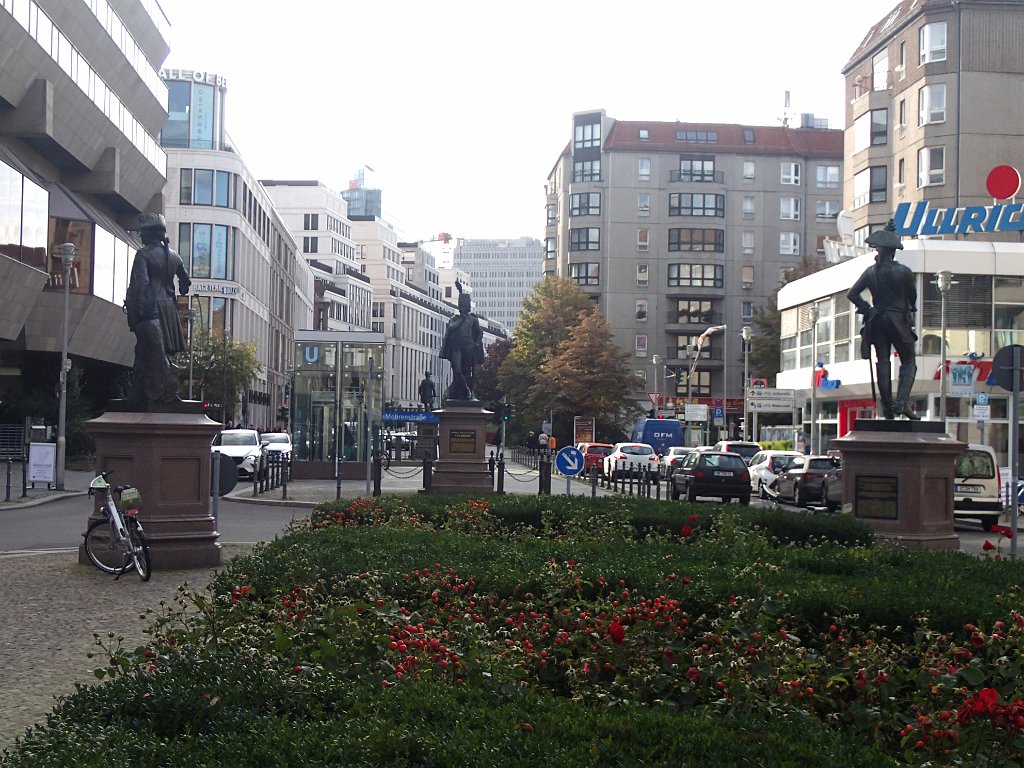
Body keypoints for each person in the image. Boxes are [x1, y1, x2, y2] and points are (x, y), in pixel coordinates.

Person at [847, 220, 919, 420]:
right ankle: (901, 403)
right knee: (909, 361)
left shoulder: (871, 272)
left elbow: (852, 294)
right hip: (897, 320)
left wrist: (867, 309)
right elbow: (912, 297)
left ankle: (888, 408)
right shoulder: (904, 271)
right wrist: (909, 308)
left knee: (883, 362)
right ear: (893, 251)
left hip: (877, 320)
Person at [124, 213, 191, 406]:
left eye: (143, 232)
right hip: (169, 311)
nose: (141, 236)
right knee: (150, 352)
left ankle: (161, 391)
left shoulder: (143, 255)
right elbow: (185, 282)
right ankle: (146, 391)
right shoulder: (173, 256)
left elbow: (141, 284)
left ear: (151, 233)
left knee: (150, 353)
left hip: (150, 311)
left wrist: (135, 313)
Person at [439, 281, 484, 402]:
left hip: (469, 346)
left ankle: (466, 392)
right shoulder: (455, 319)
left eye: (465, 306)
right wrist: (462, 319)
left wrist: (477, 343)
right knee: (457, 371)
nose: (463, 308)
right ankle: (466, 390)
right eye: (461, 306)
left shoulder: (472, 319)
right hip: (456, 347)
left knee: (466, 371)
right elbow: (451, 328)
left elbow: (480, 332)